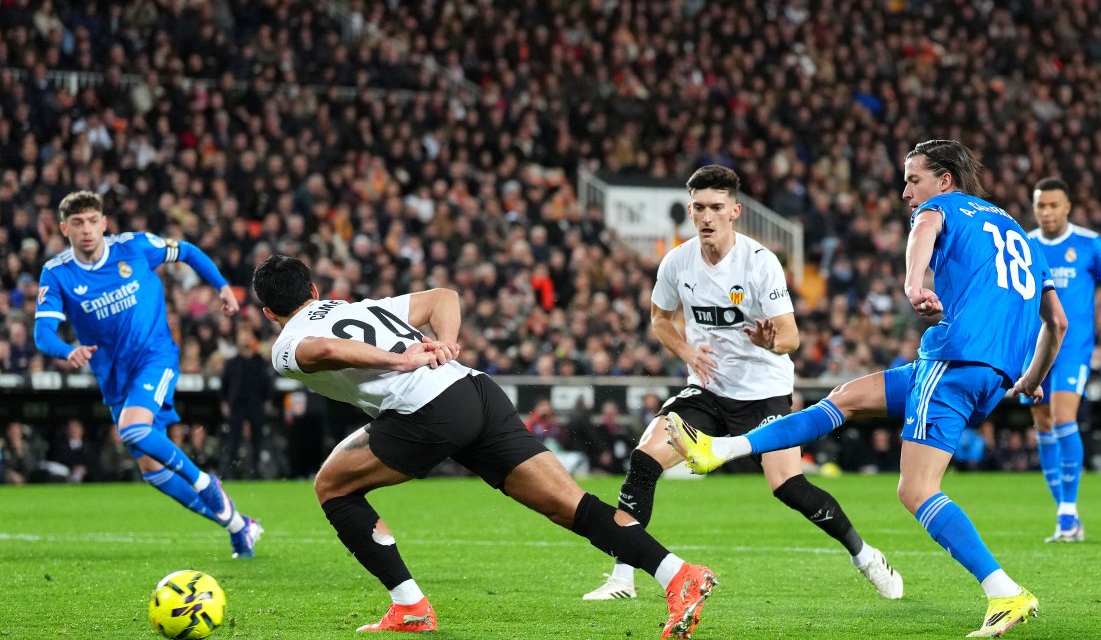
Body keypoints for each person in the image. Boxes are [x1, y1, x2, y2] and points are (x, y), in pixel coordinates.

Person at [666, 141, 1068, 638]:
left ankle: (1004, 590)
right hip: (991, 371)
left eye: (913, 180)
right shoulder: (1019, 233)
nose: (906, 192)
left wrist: (913, 283)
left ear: (944, 180)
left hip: (956, 358)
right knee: (847, 398)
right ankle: (721, 449)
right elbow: (1057, 322)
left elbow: (924, 228)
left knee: (916, 489)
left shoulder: (943, 207)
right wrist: (1032, 379)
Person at [251, 255, 716, 638]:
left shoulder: (286, 343)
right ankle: (678, 574)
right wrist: (446, 345)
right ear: (315, 290)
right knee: (571, 506)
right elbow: (444, 297)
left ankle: (410, 607)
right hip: (475, 391)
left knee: (332, 487)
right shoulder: (364, 308)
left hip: (427, 411)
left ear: (269, 312)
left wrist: (400, 362)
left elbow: (322, 350)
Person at [583, 165, 903, 603]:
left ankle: (865, 556)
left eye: (716, 207)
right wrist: (688, 352)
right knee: (643, 460)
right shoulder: (677, 262)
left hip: (762, 393)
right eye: (699, 207)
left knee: (789, 487)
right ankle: (622, 576)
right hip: (708, 390)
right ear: (690, 211)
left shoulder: (759, 262)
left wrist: (771, 342)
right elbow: (659, 318)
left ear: (735, 211)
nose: (706, 216)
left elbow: (791, 337)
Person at [33, 190, 261, 557]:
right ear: (64, 229)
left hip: (155, 357)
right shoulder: (57, 272)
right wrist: (67, 350)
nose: (86, 229)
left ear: (104, 223)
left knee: (133, 429)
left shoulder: (134, 247)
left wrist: (222, 287)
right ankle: (239, 526)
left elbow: (187, 251)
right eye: (77, 223)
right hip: (113, 375)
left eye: (92, 221)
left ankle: (205, 482)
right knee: (152, 468)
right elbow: (43, 333)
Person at [1025, 177, 1101, 542]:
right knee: (1043, 424)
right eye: (1041, 206)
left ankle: (1067, 515)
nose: (1047, 212)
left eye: (1053, 205)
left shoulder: (1089, 244)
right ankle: (1066, 514)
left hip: (1073, 350)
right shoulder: (1025, 245)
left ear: (1067, 207)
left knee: (1062, 417)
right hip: (1033, 351)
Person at [220, 327, 274, 479]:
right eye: (241, 335)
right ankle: (231, 472)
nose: (244, 339)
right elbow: (224, 384)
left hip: (256, 404)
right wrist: (224, 402)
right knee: (233, 440)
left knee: (257, 440)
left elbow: (268, 383)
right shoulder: (231, 363)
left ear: (252, 338)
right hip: (236, 404)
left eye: (247, 335)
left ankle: (255, 471)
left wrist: (268, 400)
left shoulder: (261, 361)